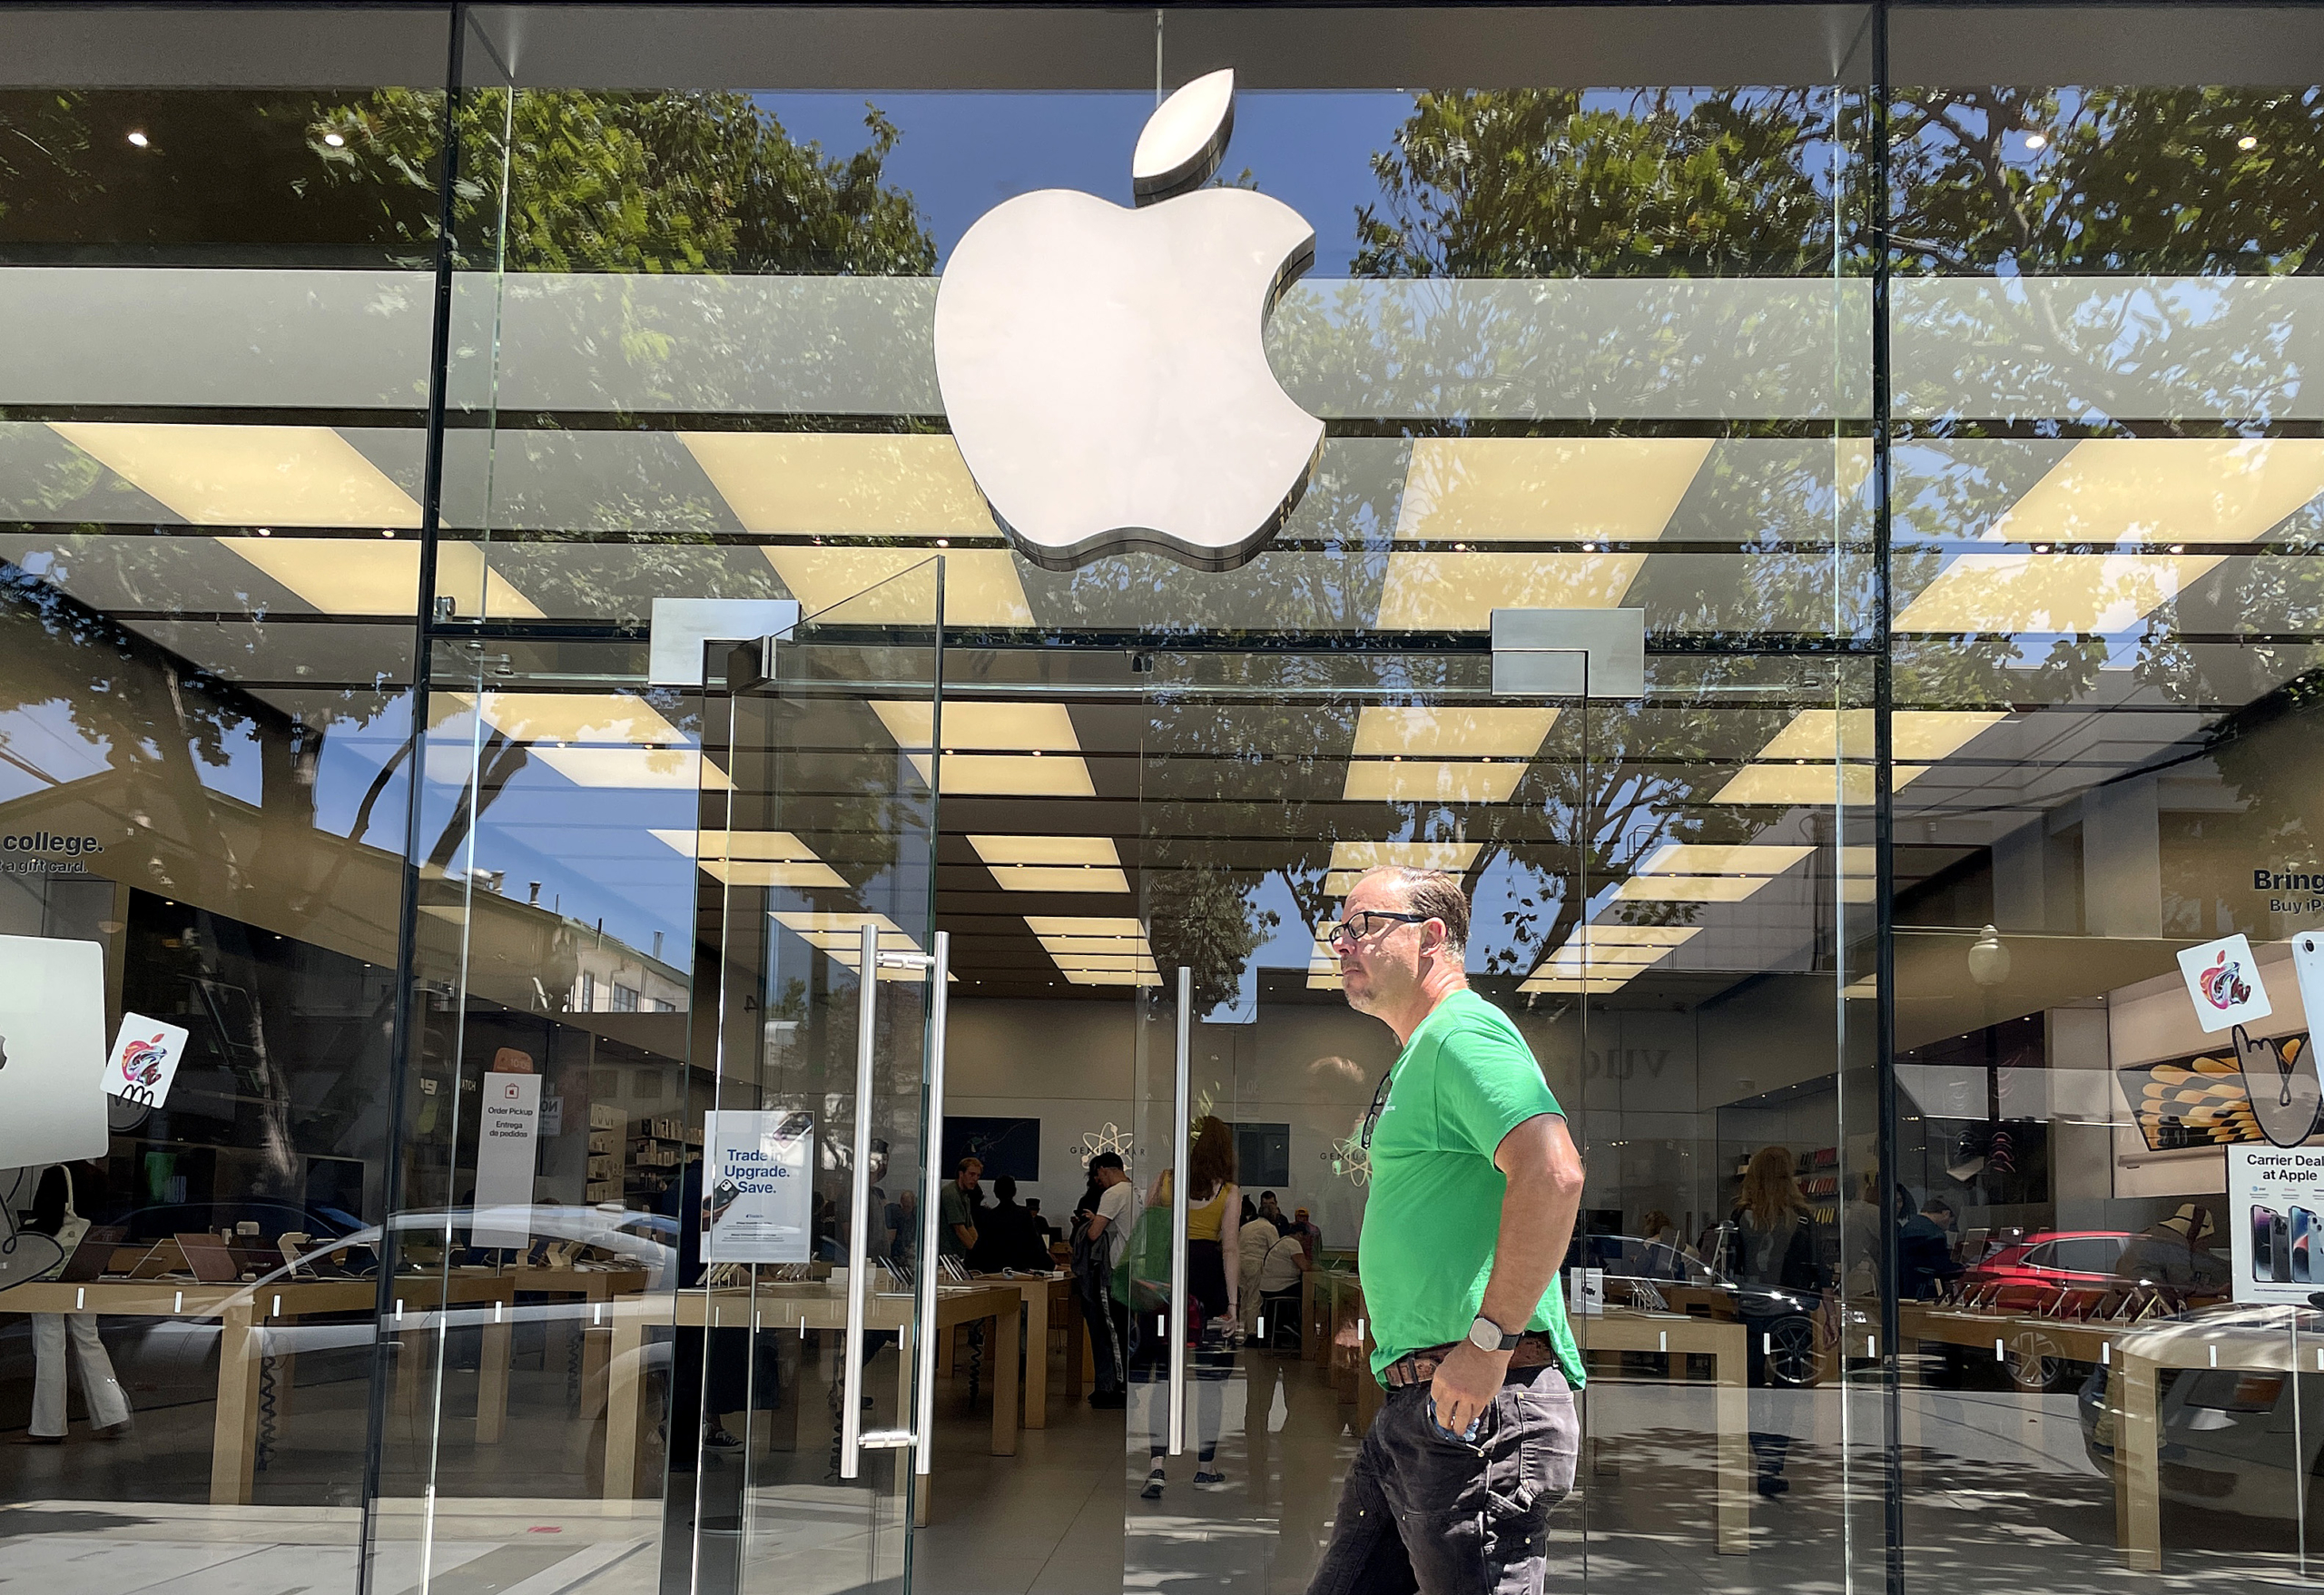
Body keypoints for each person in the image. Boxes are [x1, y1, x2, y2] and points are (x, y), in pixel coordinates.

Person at [1305, 866, 1586, 1595]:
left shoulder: (1463, 1031)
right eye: (1340, 929)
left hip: (1480, 1411)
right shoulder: (1419, 1053)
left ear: (1433, 936)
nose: (1344, 944)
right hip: (1420, 1406)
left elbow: (1553, 1172)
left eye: (1364, 925)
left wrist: (1487, 1341)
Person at [1134, 1116, 1240, 1500]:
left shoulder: (1165, 1180)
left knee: (1163, 1377)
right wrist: (1232, 1304)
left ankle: (1157, 1467)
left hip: (1166, 1285)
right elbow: (1230, 1248)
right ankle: (1204, 1467)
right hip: (1209, 1287)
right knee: (1211, 1383)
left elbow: (1146, 1225)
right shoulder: (1229, 1191)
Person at [1726, 1147, 1822, 1498]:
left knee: (1750, 1390)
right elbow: (1816, 1271)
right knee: (1786, 1393)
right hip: (1791, 1318)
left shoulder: (1740, 1216)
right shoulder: (1801, 1218)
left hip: (1750, 1312)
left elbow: (1730, 1267)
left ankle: (1759, 1452)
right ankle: (1772, 1462)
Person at [17, 1160, 131, 1444]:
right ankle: (112, 1414)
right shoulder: (94, 1176)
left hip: (51, 1269)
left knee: (49, 1342)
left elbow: (49, 1218)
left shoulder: (56, 1173)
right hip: (83, 1267)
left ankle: (48, 1427)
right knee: (89, 1339)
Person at [1078, 1151, 1136, 1408]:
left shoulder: (1113, 1194)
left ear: (1103, 1169)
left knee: (1113, 1330)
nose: (1097, 1180)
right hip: (1136, 1271)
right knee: (1129, 1330)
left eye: (1097, 1174)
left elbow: (1093, 1234)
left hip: (1117, 1271)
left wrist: (1090, 1222)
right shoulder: (1136, 1192)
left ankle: (1120, 1387)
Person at [969, 1175, 1051, 1272]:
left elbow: (981, 1246)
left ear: (995, 1192)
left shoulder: (989, 1217)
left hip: (994, 1270)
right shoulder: (1024, 1215)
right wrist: (1050, 1265)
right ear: (1014, 1192)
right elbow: (1036, 1244)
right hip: (1019, 1270)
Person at [1237, 1196, 1277, 1337]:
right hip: (1256, 1263)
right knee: (1255, 1300)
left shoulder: (1247, 1226)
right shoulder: (1269, 1228)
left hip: (1239, 1263)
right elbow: (1275, 1250)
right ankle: (1253, 1333)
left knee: (1243, 1298)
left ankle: (1241, 1333)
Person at [938, 1157, 981, 1263]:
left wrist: (979, 1247)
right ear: (961, 1174)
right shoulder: (951, 1194)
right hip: (946, 1256)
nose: (975, 1179)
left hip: (956, 1254)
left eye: (978, 1175)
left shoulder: (964, 1194)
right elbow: (959, 1229)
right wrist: (977, 1252)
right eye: (971, 1174)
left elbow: (970, 1226)